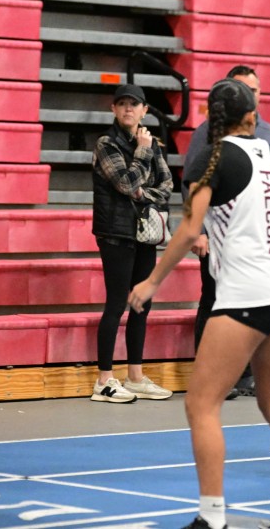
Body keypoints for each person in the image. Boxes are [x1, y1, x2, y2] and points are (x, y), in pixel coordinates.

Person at [128, 79, 270, 529]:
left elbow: (189, 229)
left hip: (246, 296)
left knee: (201, 405)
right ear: (253, 116)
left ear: (211, 118)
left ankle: (212, 518)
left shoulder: (210, 158)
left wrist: (152, 282)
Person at [183, 65, 270, 399]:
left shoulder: (269, 133)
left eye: (253, 90)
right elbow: (192, 183)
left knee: (251, 302)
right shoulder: (207, 132)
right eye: (240, 89)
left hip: (255, 237)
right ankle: (209, 374)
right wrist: (198, 231)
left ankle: (246, 374)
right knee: (214, 300)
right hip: (217, 232)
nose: (247, 96)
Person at [90, 83, 175, 403]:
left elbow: (166, 186)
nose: (128, 108)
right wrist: (142, 154)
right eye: (122, 103)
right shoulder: (106, 143)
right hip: (115, 233)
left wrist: (142, 192)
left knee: (142, 304)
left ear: (144, 111)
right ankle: (104, 380)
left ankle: (135, 376)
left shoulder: (152, 143)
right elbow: (126, 184)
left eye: (134, 104)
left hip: (144, 233)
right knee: (116, 305)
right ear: (113, 109)